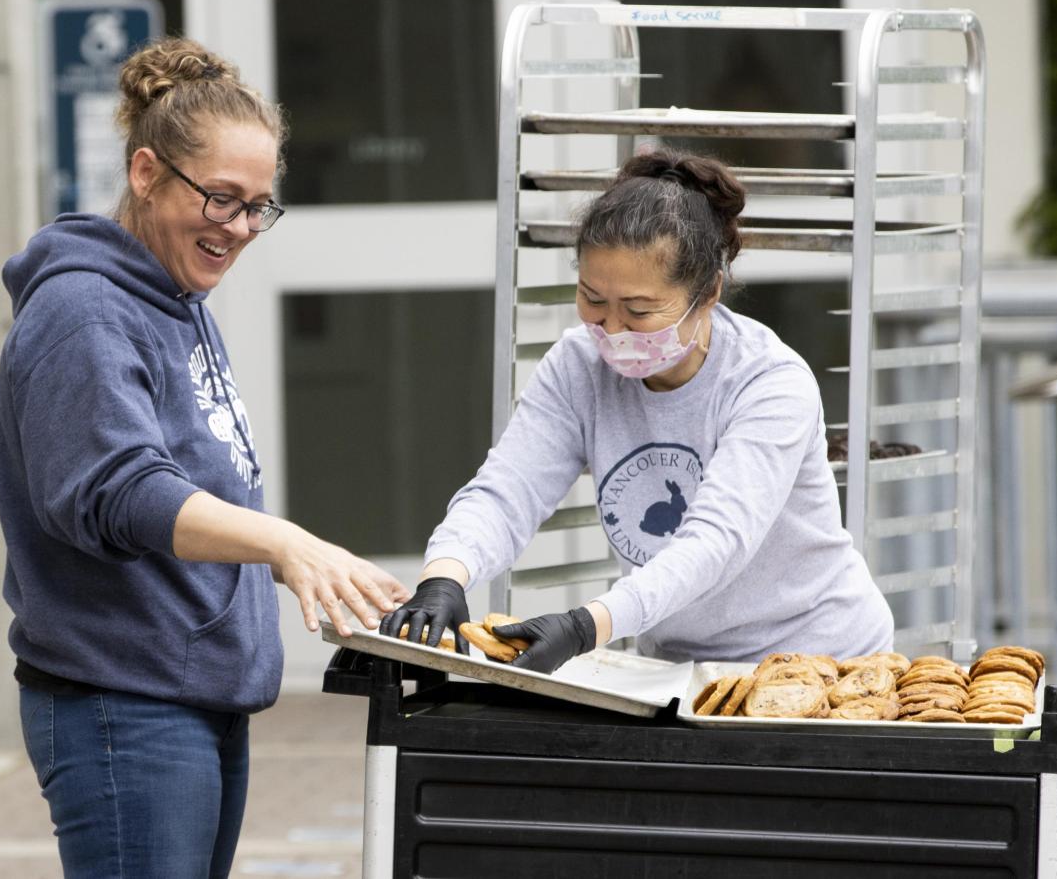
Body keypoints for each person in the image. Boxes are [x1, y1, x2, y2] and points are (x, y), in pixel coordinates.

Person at [0, 37, 407, 878]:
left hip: (189, 699)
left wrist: (290, 562)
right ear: (146, 173)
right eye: (221, 198)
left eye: (258, 206)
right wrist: (283, 542)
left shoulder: (177, 298)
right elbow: (120, 491)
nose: (240, 228)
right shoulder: (85, 310)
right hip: (125, 703)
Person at [382, 149, 893, 674]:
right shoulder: (577, 367)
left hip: (823, 657)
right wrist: (444, 575)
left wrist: (586, 626)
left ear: (709, 293)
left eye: (639, 310)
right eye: (592, 299)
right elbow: (508, 489)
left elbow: (716, 542)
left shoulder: (769, 382)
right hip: (679, 665)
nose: (612, 329)